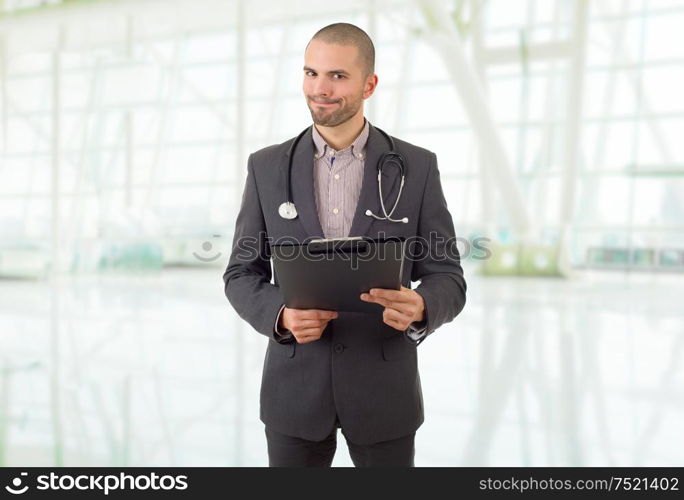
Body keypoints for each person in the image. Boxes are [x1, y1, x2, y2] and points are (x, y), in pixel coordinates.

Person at [223, 22, 466, 467]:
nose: (320, 88)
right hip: (294, 392)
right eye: (311, 73)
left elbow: (447, 276)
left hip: (383, 392)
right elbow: (241, 274)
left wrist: (423, 306)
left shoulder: (416, 167)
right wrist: (280, 315)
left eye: (337, 76)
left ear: (369, 84)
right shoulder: (267, 168)